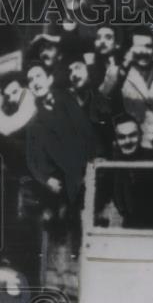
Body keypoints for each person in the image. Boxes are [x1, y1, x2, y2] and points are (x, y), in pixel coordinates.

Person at [24, 60, 100, 218]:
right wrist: (46, 180)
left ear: (49, 79)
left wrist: (89, 171)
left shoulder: (69, 103)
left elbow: (89, 136)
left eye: (39, 76)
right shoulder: (34, 124)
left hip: (85, 179)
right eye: (30, 80)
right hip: (58, 190)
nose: (35, 82)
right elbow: (32, 161)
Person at [117, 28, 153, 146]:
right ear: (129, 50)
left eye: (148, 46)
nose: (144, 51)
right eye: (138, 46)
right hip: (131, 143)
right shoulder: (121, 75)